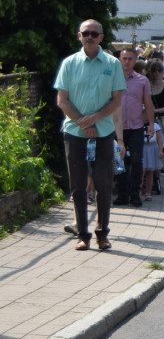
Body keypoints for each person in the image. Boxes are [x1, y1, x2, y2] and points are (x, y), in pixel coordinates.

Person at [55, 20, 126, 251]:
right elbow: (62, 100)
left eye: (94, 33)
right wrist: (83, 123)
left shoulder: (113, 64)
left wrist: (94, 119)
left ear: (101, 37)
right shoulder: (69, 63)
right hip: (75, 131)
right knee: (77, 185)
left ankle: (102, 234)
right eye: (86, 33)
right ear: (79, 35)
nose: (90, 37)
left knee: (103, 183)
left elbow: (117, 99)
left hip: (103, 132)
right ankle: (83, 235)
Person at [114, 48, 154, 207]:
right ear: (120, 59)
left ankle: (135, 194)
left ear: (135, 60)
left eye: (130, 58)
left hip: (136, 125)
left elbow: (148, 104)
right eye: (124, 58)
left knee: (137, 160)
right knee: (119, 160)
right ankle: (122, 194)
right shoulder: (113, 79)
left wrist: (151, 124)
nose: (127, 61)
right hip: (117, 127)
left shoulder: (142, 80)